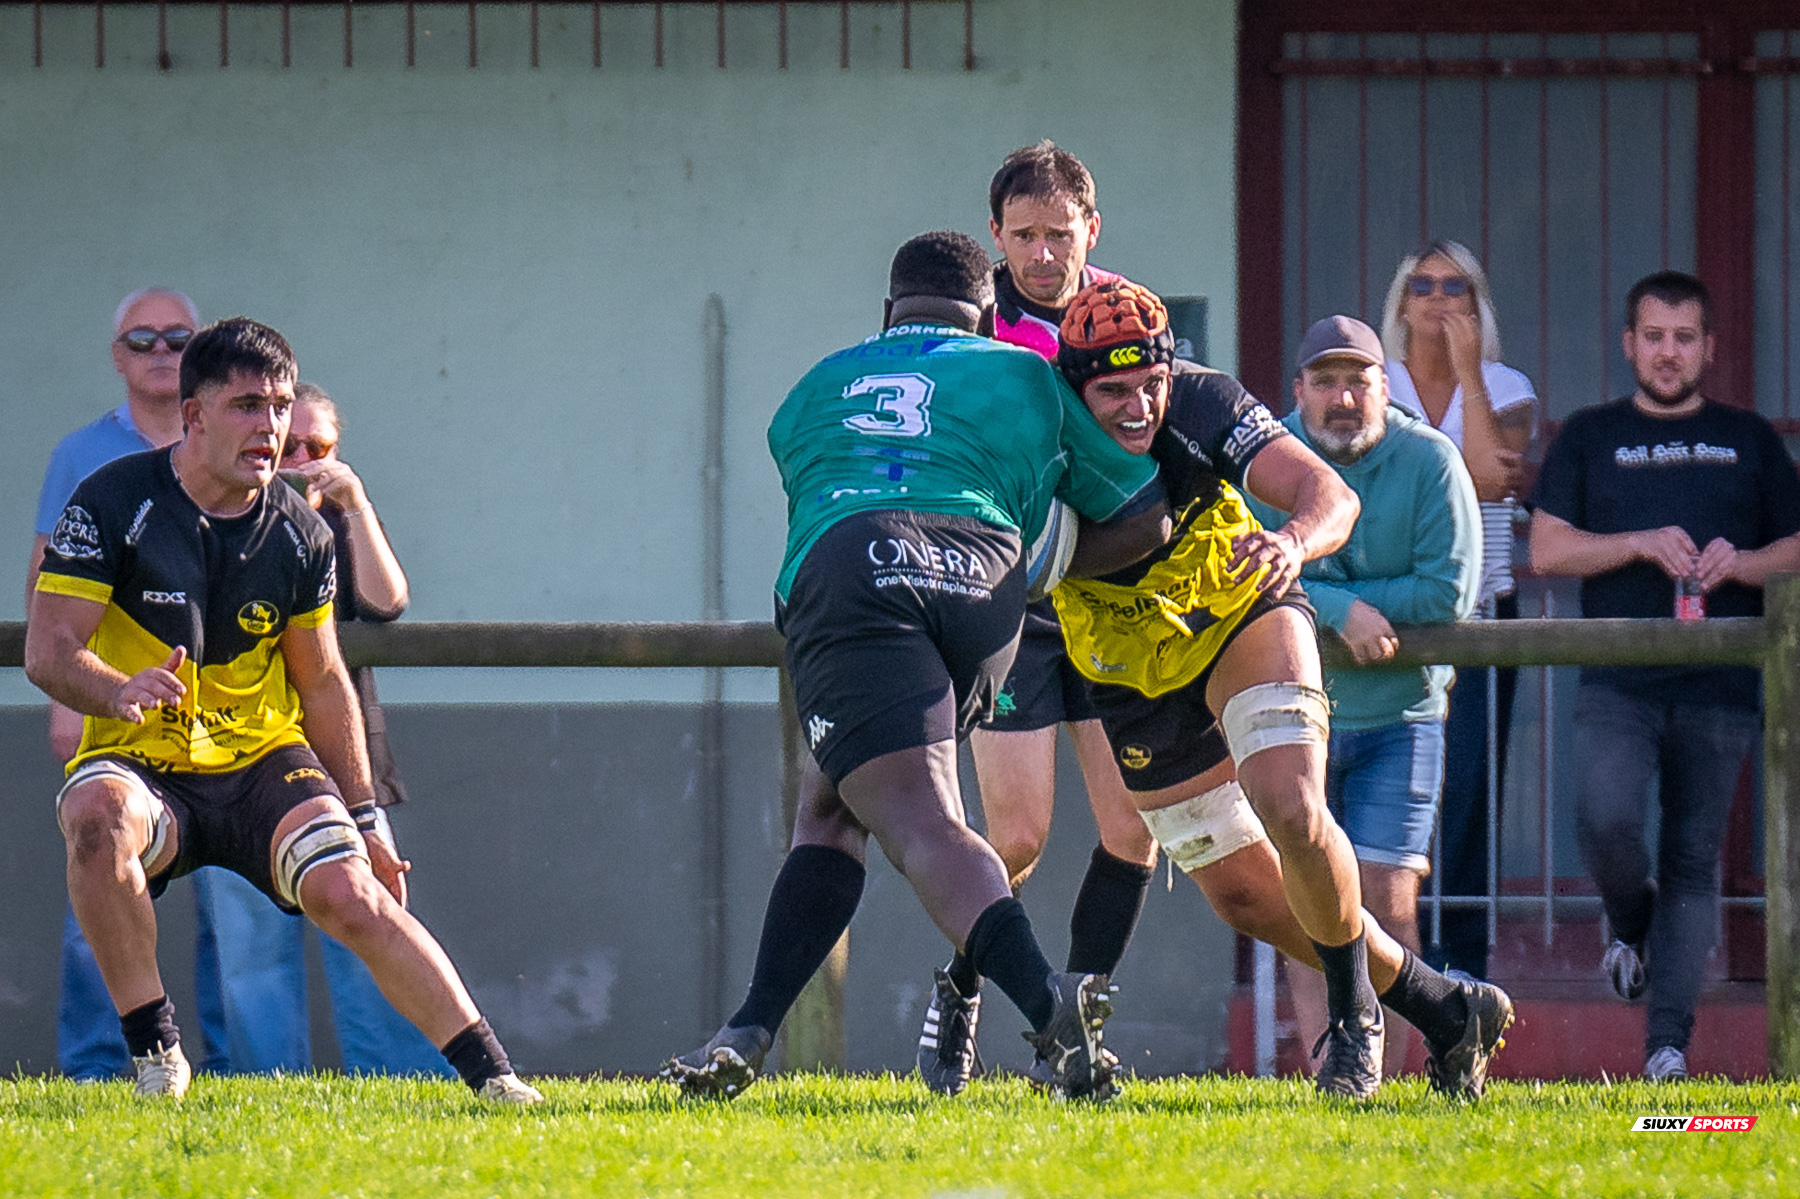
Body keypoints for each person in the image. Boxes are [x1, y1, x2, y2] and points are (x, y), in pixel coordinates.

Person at [661, 232, 1170, 1102]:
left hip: (857, 574)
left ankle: (1053, 1013)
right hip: (986, 583)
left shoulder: (815, 385)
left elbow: (814, 468)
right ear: (988, 314)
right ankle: (748, 1028)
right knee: (831, 806)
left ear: (887, 312)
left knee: (922, 819)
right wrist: (1042, 556)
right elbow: (1143, 513)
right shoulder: (1028, 377)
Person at [24, 317, 539, 1104]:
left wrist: (366, 816)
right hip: (141, 757)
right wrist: (117, 690)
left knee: (353, 891)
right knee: (95, 817)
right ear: (193, 415)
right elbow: (49, 648)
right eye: (247, 406)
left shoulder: (300, 533)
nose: (269, 426)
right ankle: (156, 1049)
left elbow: (324, 682)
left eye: (279, 405)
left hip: (261, 762)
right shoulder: (111, 500)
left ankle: (496, 1079)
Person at [1052, 283, 1513, 1099]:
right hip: (1127, 660)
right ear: (1072, 387)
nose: (1139, 407)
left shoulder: (1202, 400)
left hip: (1239, 606)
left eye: (1151, 383)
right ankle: (1445, 1008)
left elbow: (1330, 494)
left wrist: (1293, 543)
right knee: (1246, 896)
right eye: (1113, 392)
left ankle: (1353, 1021)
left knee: (1291, 804)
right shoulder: (1037, 427)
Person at [918, 141, 1158, 1096]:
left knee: (1134, 829)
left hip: (1114, 602)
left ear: (1092, 228)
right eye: (1024, 236)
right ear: (996, 235)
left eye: (1061, 233)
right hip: (1011, 604)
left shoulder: (1129, 319)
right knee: (1016, 837)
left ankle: (1076, 1025)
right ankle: (962, 988)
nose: (1044, 254)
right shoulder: (971, 326)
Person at [1529, 271, 1800, 1082]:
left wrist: (1742, 562)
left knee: (1691, 859)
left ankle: (1666, 1049)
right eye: (1654, 337)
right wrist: (1640, 542)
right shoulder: (1591, 434)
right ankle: (1629, 923)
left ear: (1709, 347)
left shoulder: (1750, 438)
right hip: (1619, 682)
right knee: (1606, 819)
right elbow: (1548, 548)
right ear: (1629, 344)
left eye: (1684, 338)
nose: (1669, 352)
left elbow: (1796, 545)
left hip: (1721, 686)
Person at [1248, 316, 1482, 1078]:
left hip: (1400, 716)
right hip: (1291, 710)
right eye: (1326, 381)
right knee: (1304, 899)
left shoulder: (1431, 459)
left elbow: (1449, 593)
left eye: (1359, 380)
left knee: (1385, 898)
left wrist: (1314, 594)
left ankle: (1406, 1071)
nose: (1343, 398)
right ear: (1298, 391)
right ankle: (1334, 1072)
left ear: (1387, 386)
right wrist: (1340, 609)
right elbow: (1242, 571)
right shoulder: (1266, 457)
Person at [198, 382, 451, 1076]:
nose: (303, 460)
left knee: (369, 929)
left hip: (344, 762)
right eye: (291, 446)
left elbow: (387, 603)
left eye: (320, 446)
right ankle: (264, 1089)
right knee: (252, 951)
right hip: (238, 759)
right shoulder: (217, 520)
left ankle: (398, 1085)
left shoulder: (338, 521)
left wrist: (355, 502)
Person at [24, 287, 233, 1080]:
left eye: (177, 336)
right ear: (117, 357)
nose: (160, 351)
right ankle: (96, 1066)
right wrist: (67, 698)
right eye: (141, 339)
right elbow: (47, 588)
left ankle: (238, 1067)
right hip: (113, 710)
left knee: (231, 904)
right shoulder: (80, 454)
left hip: (228, 717)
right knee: (102, 869)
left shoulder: (232, 440)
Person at [1379, 240, 1537, 981]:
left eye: (1456, 287)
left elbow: (1487, 478)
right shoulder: (1375, 384)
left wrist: (1468, 372)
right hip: (1394, 619)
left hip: (1481, 619)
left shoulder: (1506, 386)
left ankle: (1463, 965)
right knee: (1395, 792)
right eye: (1423, 285)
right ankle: (1394, 954)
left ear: (1478, 305)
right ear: (1401, 303)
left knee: (1469, 790)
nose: (1439, 299)